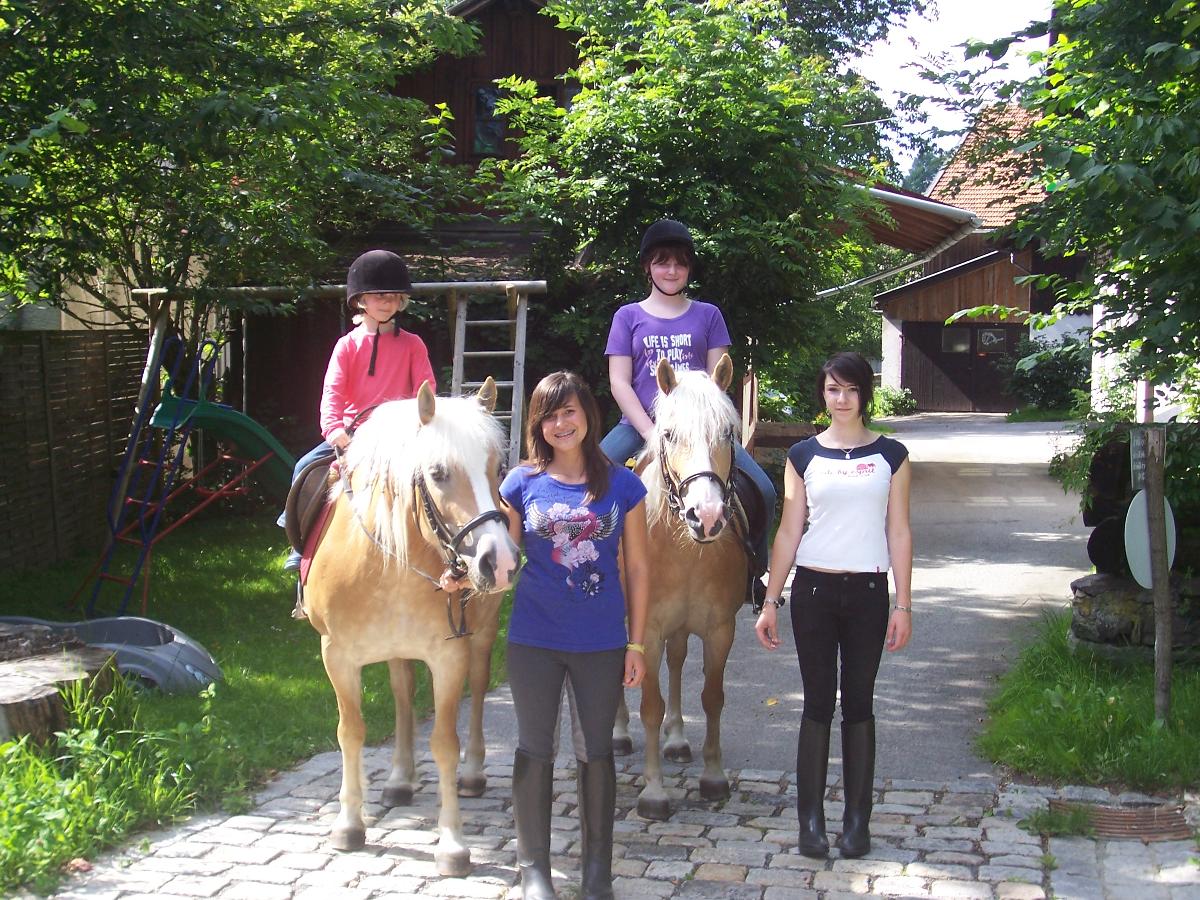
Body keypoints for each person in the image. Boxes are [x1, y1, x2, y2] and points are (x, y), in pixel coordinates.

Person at [753, 351, 912, 860]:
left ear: (865, 394)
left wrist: (904, 603)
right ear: (822, 394)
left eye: (850, 389)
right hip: (814, 593)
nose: (841, 399)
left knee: (859, 703)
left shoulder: (892, 455)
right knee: (818, 702)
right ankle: (811, 822)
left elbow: (899, 531)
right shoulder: (803, 456)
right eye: (832, 389)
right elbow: (788, 531)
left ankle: (857, 823)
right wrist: (771, 599)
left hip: (867, 593)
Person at [498, 371, 649, 900]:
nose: (561, 423)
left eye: (570, 412)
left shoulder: (623, 485)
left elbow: (638, 569)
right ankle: (534, 869)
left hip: (601, 641)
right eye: (550, 415)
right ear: (537, 424)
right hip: (533, 639)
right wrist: (465, 579)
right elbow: (504, 562)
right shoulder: (520, 484)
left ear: (588, 415)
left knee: (597, 751)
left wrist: (636, 642)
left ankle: (596, 874)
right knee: (535, 748)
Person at [601, 218, 777, 573]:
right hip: (640, 426)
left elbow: (717, 383)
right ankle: (593, 572)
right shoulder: (627, 317)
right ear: (647, 267)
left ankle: (754, 574)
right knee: (587, 484)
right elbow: (619, 382)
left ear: (689, 269)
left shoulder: (709, 315)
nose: (672, 271)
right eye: (662, 262)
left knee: (765, 490)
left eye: (680, 263)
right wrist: (652, 432)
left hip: (702, 431)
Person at [277, 249, 435, 574]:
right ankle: (300, 542)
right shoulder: (347, 346)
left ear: (402, 301)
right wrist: (333, 428)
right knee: (304, 466)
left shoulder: (413, 345)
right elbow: (332, 392)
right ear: (361, 299)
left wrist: (419, 425)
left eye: (393, 296)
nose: (387, 302)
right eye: (379, 295)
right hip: (352, 435)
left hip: (399, 434)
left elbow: (426, 390)